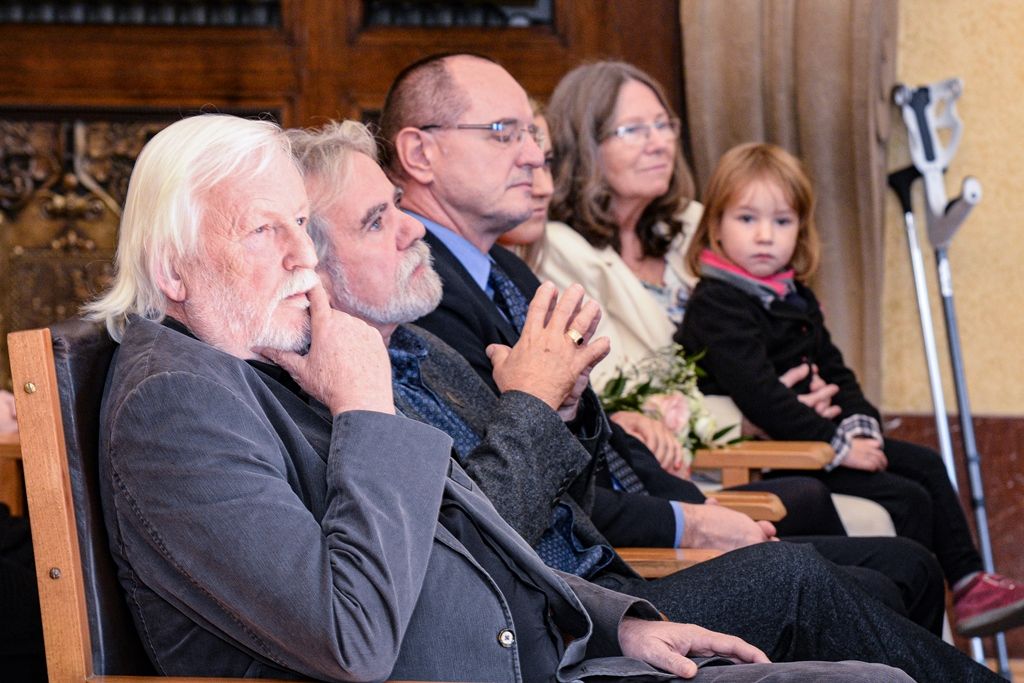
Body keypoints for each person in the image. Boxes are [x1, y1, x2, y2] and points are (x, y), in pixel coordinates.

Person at [82, 111, 907, 683]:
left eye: (303, 223)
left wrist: (616, 620)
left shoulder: (259, 358)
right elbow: (350, 634)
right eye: (268, 229)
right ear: (173, 268)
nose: (305, 257)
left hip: (542, 645)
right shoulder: (177, 399)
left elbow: (455, 534)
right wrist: (365, 404)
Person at [372, 53, 1004, 680]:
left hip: (596, 575)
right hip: (559, 608)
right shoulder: (418, 298)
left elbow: (577, 470)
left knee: (902, 568)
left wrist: (576, 415)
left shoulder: (504, 270)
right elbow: (479, 523)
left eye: (533, 136)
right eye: (504, 133)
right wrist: (681, 515)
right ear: (420, 153)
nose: (536, 156)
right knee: (799, 577)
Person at [677, 141, 1024, 640]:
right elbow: (763, 398)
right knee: (906, 498)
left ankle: (968, 584)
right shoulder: (718, 303)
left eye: (781, 221)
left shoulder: (793, 296)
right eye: (747, 218)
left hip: (816, 438)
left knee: (926, 464)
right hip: (777, 454)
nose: (764, 235)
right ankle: (907, 632)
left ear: (800, 231)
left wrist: (863, 428)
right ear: (715, 225)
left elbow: (837, 373)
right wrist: (840, 446)